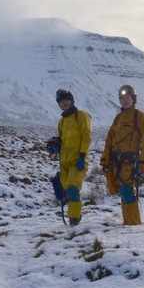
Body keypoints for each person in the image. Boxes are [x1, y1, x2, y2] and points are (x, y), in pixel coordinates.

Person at [100, 84, 144, 225]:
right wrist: (105, 161)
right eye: (122, 98)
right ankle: (127, 223)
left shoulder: (140, 116)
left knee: (127, 191)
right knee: (122, 192)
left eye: (127, 97)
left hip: (131, 161)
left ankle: (134, 224)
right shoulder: (118, 118)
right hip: (117, 161)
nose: (124, 101)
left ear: (133, 99)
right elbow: (109, 140)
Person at [51, 89, 92, 226]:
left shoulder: (81, 116)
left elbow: (86, 137)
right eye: (61, 101)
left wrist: (82, 156)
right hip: (64, 163)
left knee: (73, 189)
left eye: (66, 99)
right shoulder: (61, 122)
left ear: (72, 100)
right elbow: (61, 140)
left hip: (78, 161)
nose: (64, 102)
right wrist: (55, 148)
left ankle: (74, 220)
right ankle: (74, 216)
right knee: (67, 191)